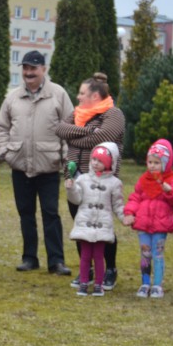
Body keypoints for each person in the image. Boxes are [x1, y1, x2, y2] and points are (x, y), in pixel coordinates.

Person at [0, 50, 74, 276]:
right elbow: (1, 126)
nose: (29, 73)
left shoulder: (58, 94)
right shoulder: (12, 97)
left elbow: (70, 128)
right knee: (25, 214)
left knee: (51, 214)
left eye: (34, 68)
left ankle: (56, 261)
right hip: (20, 166)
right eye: (26, 68)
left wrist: (67, 159)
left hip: (48, 166)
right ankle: (29, 258)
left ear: (43, 70)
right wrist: (5, 152)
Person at [55, 72, 126, 290]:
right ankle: (87, 270)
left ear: (95, 95)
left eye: (82, 93)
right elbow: (60, 129)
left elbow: (102, 137)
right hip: (77, 180)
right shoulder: (78, 114)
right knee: (81, 225)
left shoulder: (113, 114)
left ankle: (110, 269)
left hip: (103, 182)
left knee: (104, 227)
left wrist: (76, 138)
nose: (78, 97)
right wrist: (86, 131)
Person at [123, 139, 173, 298]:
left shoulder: (171, 180)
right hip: (143, 225)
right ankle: (145, 283)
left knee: (157, 254)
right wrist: (130, 213)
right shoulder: (143, 180)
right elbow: (135, 198)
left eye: (156, 163)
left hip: (160, 225)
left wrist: (170, 191)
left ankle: (157, 285)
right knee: (145, 254)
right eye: (150, 162)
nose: (152, 166)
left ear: (165, 163)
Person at [65, 143, 126, 297]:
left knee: (99, 256)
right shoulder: (83, 179)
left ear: (108, 163)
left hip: (102, 225)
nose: (95, 163)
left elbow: (118, 204)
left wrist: (125, 217)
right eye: (93, 159)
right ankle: (84, 282)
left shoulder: (114, 183)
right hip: (85, 223)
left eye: (100, 160)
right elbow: (76, 199)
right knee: (85, 256)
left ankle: (99, 284)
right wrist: (71, 188)